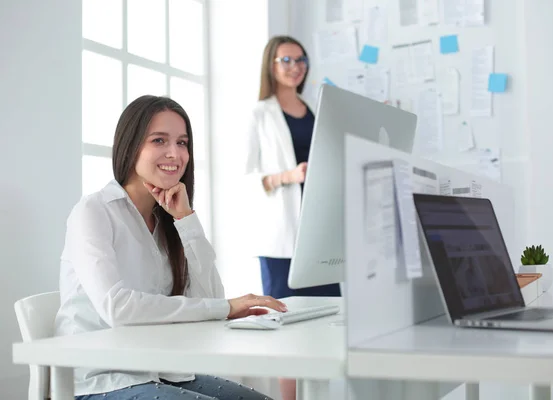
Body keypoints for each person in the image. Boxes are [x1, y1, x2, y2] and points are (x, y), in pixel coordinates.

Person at [54, 95, 286, 400]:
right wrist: (225, 307)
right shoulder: (94, 211)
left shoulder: (168, 221)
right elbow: (118, 307)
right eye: (159, 140)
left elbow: (211, 298)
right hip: (101, 379)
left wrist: (186, 220)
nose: (174, 153)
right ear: (131, 145)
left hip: (162, 372)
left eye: (182, 142)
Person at [240, 35, 341, 400]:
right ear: (271, 64)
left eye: (301, 60)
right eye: (286, 60)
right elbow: (245, 175)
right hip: (282, 237)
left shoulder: (314, 110)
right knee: (287, 326)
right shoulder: (260, 112)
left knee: (329, 323)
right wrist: (289, 175)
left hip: (318, 231)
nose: (295, 66)